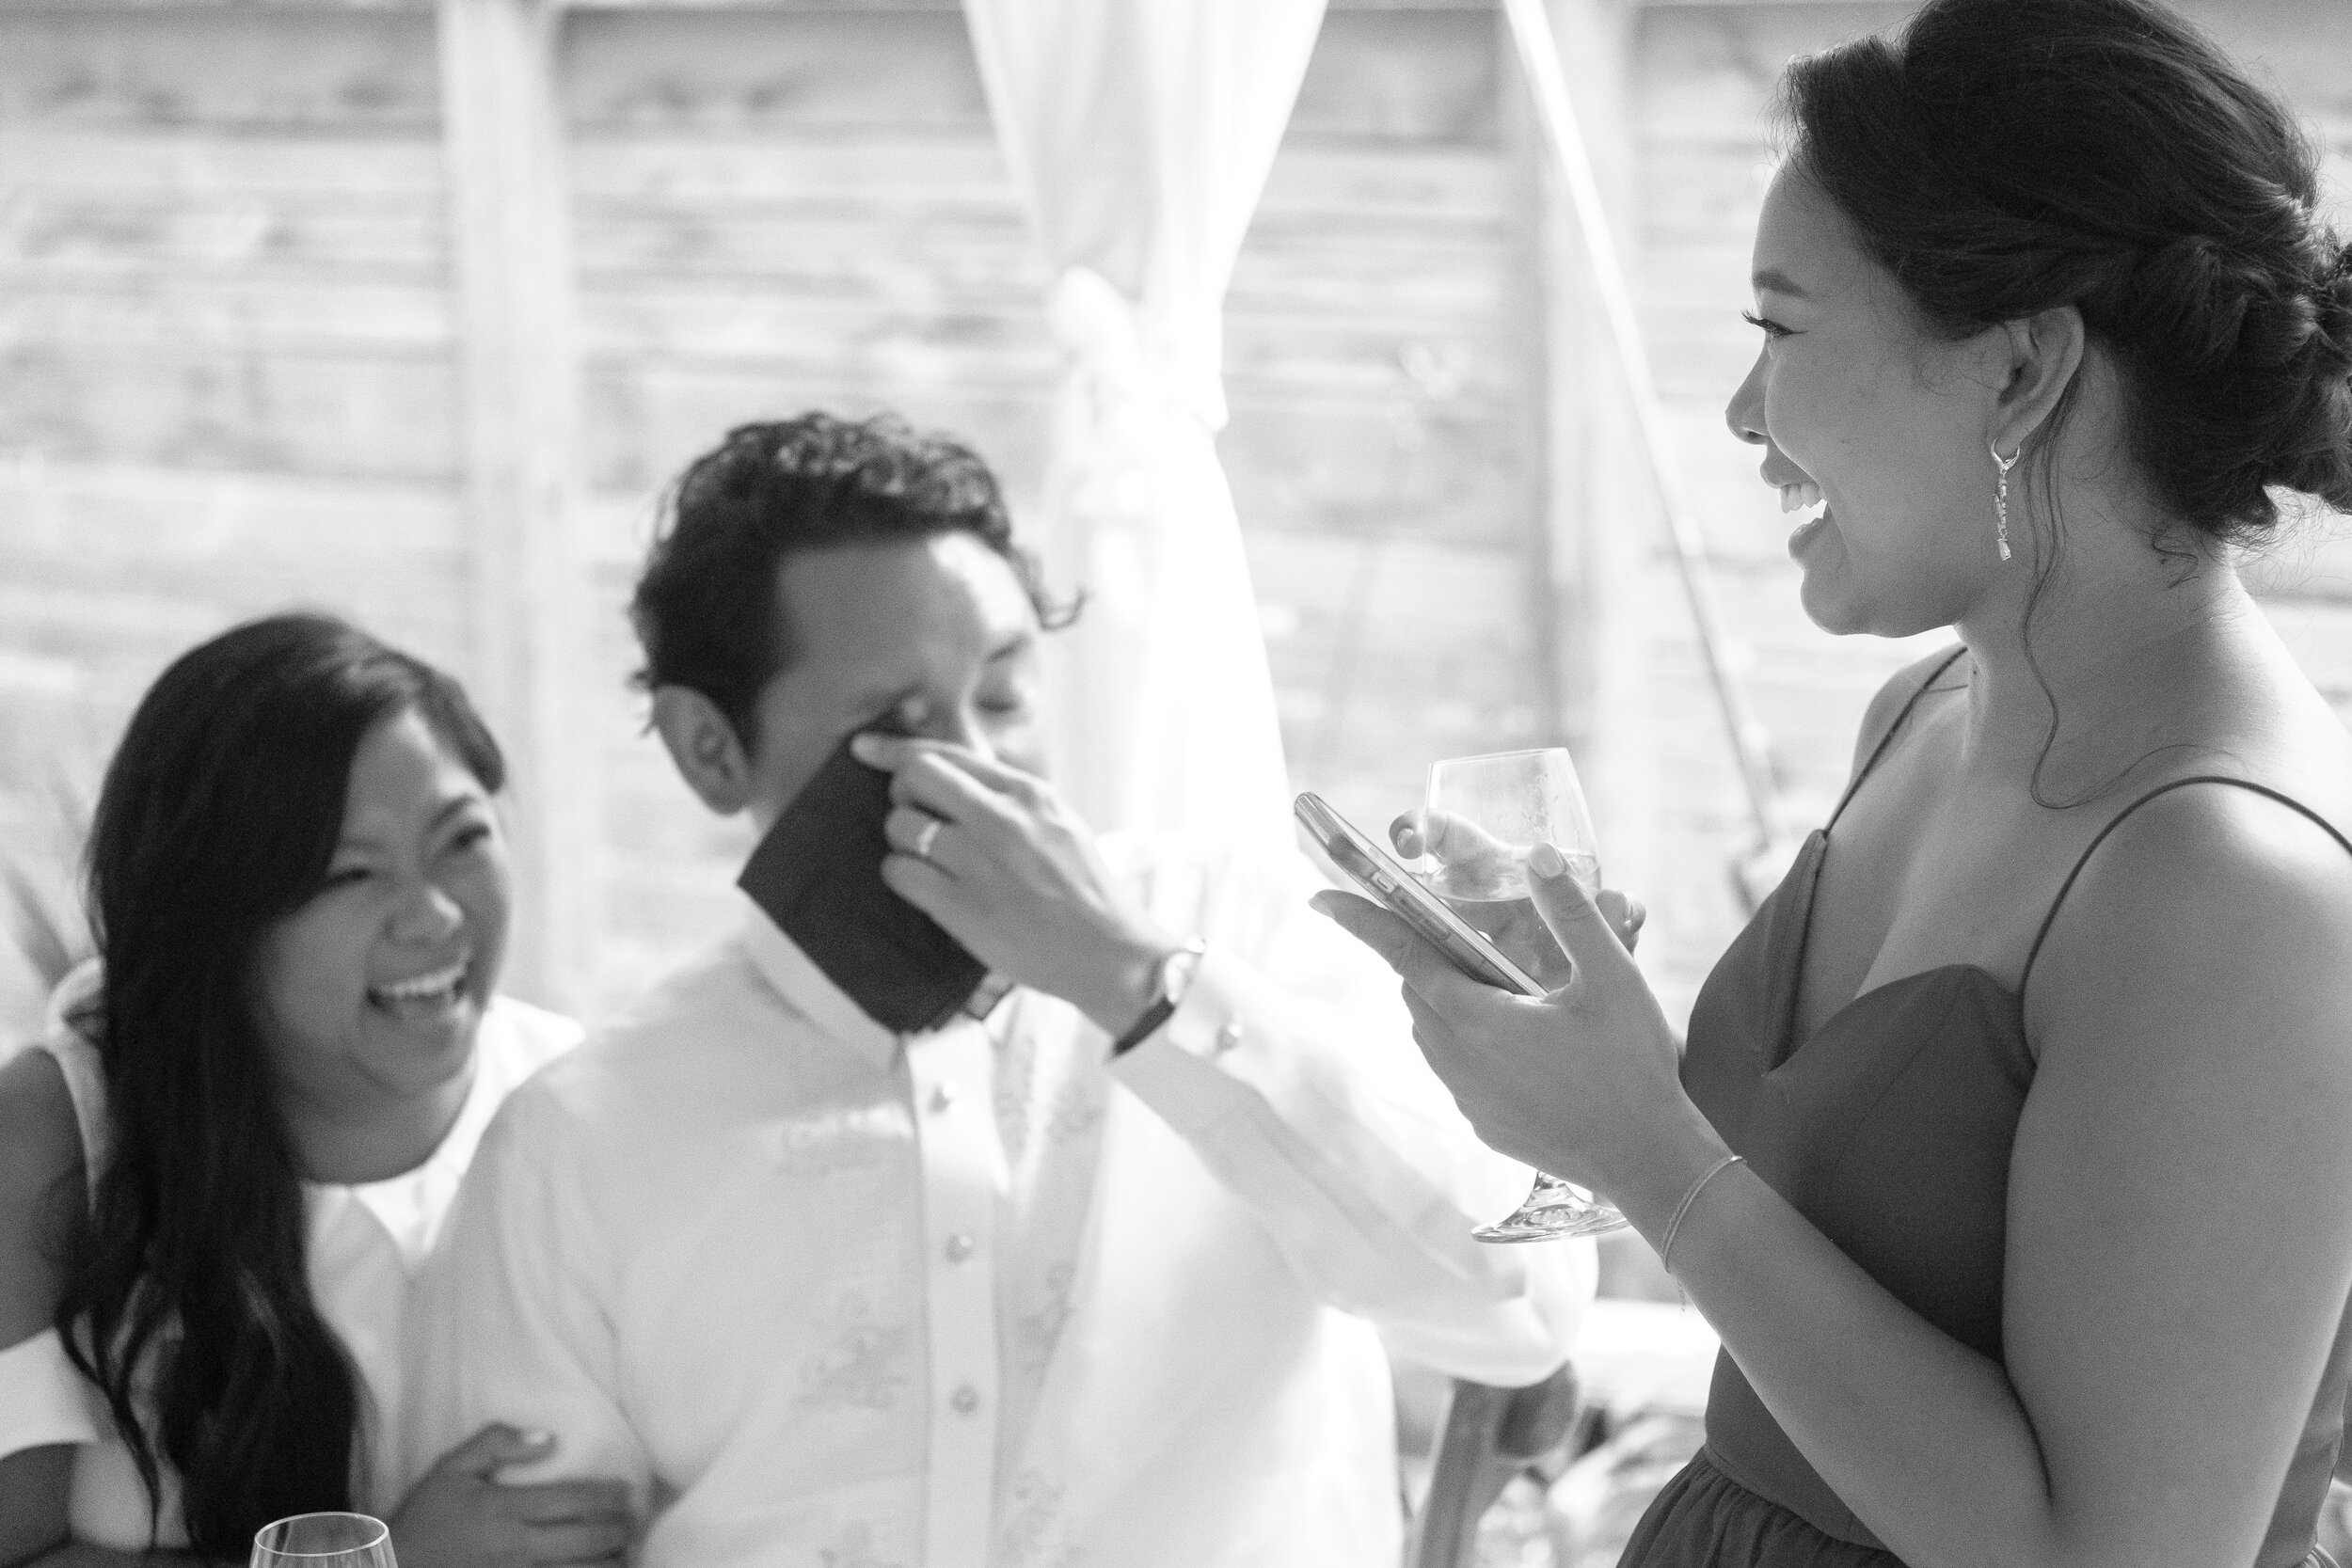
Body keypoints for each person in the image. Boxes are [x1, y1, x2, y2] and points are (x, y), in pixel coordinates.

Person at [1324, 0, 2352, 1563]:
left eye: (1783, 327)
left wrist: (1639, 1145)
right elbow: (1832, 1237)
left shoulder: (2234, 886)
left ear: (2019, 371)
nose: (1746, 411)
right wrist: (1588, 1051)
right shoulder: (1929, 708)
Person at [405, 411, 1596, 1568]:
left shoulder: (1247, 928)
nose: (981, 763)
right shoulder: (580, 1142)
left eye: (1009, 695)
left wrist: (1139, 985)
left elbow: (1522, 1304)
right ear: (709, 748)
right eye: (895, 720)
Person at [0, 614, 631, 1567]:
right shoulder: (62, 1131)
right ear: (214, 918)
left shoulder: (579, 1107)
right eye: (351, 871)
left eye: (462, 837)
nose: (433, 913)